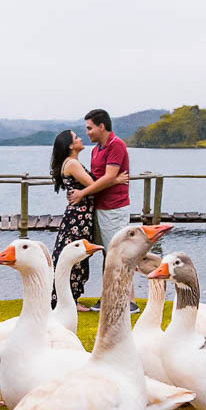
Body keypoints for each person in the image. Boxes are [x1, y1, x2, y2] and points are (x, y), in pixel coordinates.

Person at [69, 108, 136, 311]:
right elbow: (102, 179)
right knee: (107, 254)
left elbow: (108, 176)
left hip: (114, 209)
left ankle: (128, 301)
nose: (87, 132)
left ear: (102, 126)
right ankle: (110, 296)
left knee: (118, 254)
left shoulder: (117, 145)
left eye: (89, 128)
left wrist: (82, 194)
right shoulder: (96, 150)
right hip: (99, 208)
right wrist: (112, 180)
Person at [48, 129, 102, 311]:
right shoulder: (72, 163)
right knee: (75, 258)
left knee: (73, 256)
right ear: (71, 145)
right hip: (79, 217)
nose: (81, 139)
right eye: (77, 137)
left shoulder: (70, 163)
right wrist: (114, 179)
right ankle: (70, 300)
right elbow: (93, 185)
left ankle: (70, 298)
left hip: (78, 215)